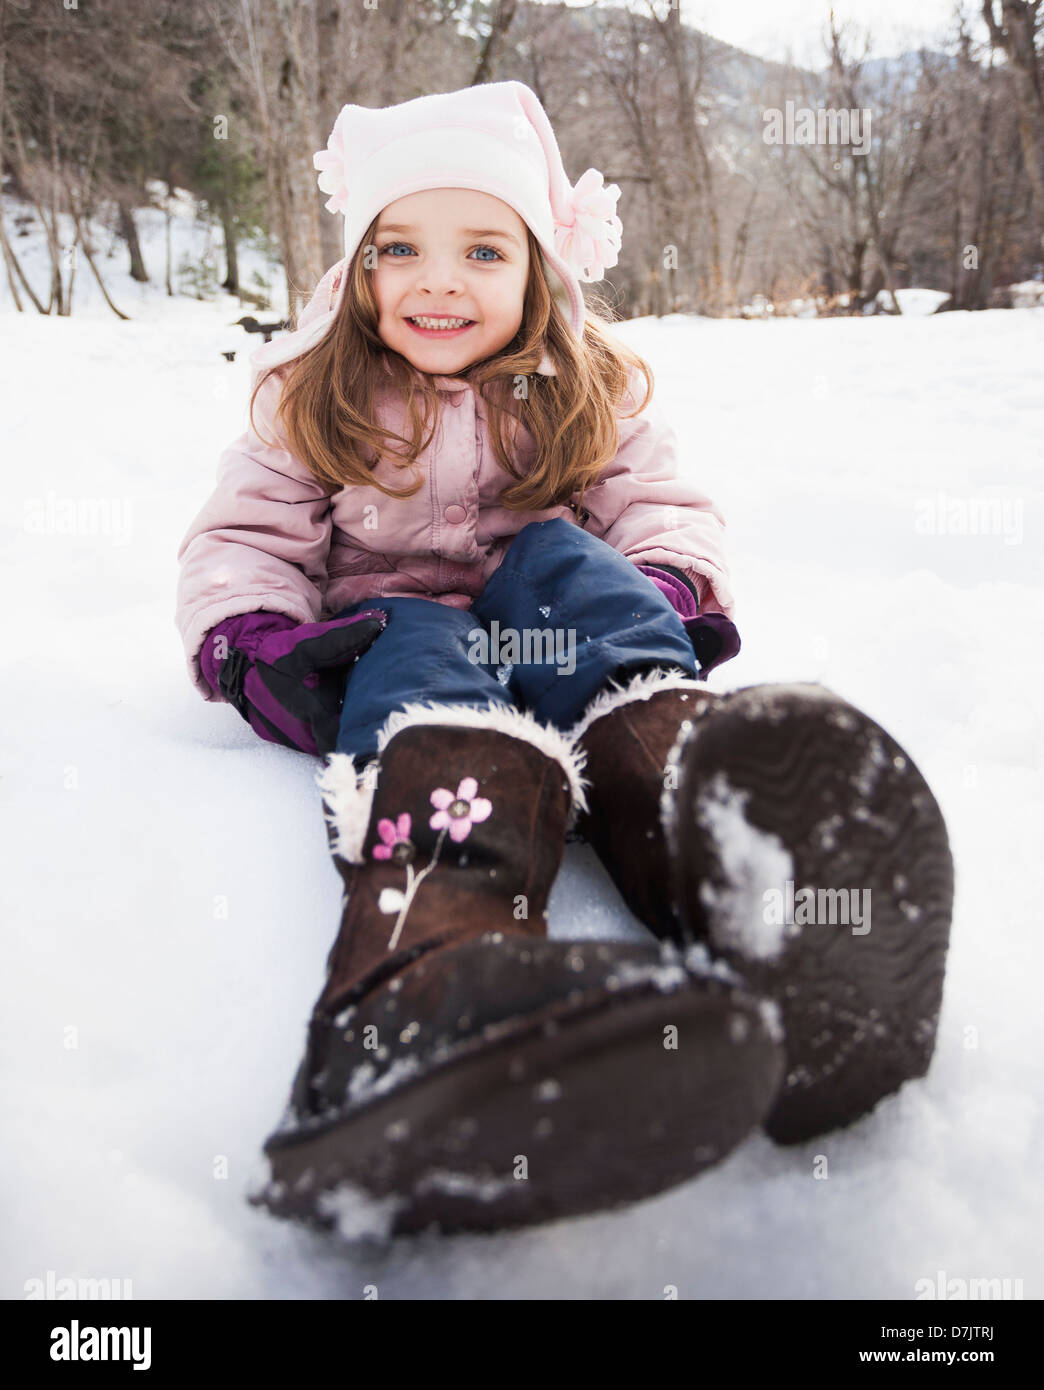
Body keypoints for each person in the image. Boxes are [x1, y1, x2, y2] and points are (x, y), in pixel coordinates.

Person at [174, 82, 953, 1239]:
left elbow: (660, 506)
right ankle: (430, 1007)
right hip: (405, 649)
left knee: (575, 568)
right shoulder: (311, 398)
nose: (439, 279)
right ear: (360, 270)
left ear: (540, 266)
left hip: (564, 644)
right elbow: (242, 543)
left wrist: (672, 590)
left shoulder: (581, 384)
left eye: (483, 249)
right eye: (401, 248)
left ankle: (759, 893)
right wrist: (254, 645)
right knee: (423, 638)